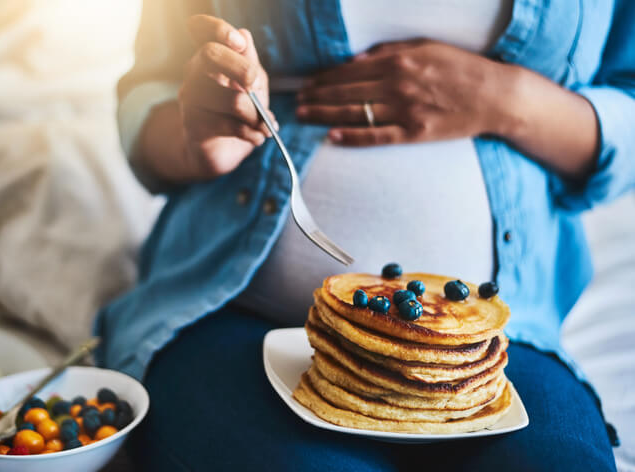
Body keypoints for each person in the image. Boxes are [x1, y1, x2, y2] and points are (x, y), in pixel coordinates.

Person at [96, 1, 635, 470]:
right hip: (237, 311)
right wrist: (196, 135)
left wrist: (509, 100)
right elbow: (147, 92)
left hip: (489, 347)